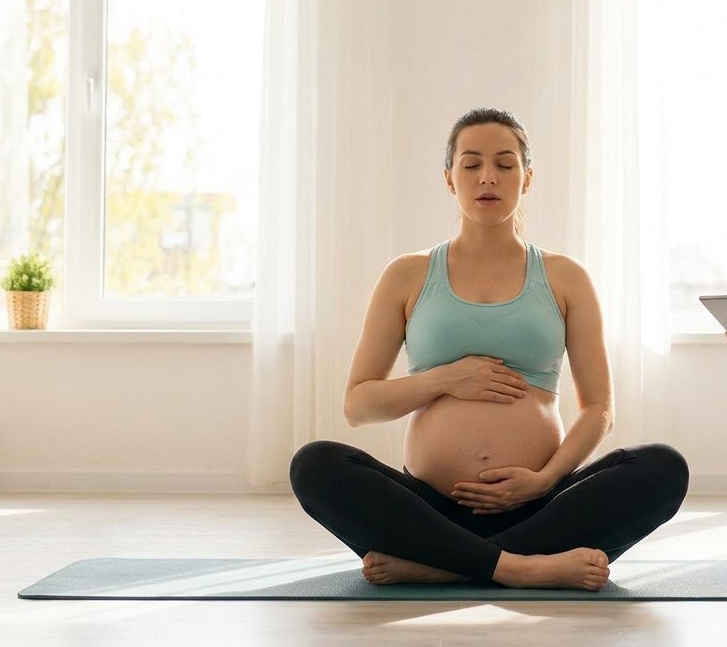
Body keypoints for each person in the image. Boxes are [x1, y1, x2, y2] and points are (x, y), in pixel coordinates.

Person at [290, 107, 689, 591]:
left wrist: (544, 480)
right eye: (471, 163)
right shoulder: (407, 274)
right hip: (430, 509)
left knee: (662, 467)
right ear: (448, 177)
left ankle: (446, 566)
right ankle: (520, 567)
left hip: (540, 505)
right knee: (315, 463)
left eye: (505, 164)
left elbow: (598, 409)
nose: (487, 178)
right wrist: (443, 379)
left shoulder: (565, 277)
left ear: (527, 178)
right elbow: (359, 405)